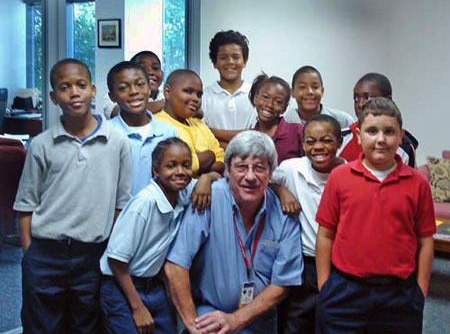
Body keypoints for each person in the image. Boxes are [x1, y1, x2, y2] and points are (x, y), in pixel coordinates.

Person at [14, 58, 132, 333]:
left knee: (87, 324)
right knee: (41, 325)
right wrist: (30, 254)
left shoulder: (116, 141)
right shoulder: (42, 144)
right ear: (55, 98)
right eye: (65, 88)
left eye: (80, 85)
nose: (74, 93)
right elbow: (25, 206)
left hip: (92, 255)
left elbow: (120, 203)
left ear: (92, 90)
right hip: (45, 254)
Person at [315, 98, 435, 333]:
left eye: (389, 132)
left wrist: (420, 291)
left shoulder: (417, 183)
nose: (381, 139)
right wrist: (325, 286)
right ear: (359, 136)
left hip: (400, 296)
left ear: (400, 136)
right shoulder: (340, 177)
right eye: (372, 131)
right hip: (344, 292)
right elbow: (325, 235)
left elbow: (426, 241)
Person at [164, 130, 303, 334]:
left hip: (258, 320)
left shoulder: (284, 213)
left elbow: (282, 284)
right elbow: (175, 266)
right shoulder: (208, 199)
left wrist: (235, 320)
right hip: (207, 315)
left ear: (271, 173)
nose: (250, 176)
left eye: (259, 168)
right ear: (227, 170)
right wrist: (194, 326)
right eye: (241, 167)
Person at [100, 137, 220, 334]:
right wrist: (138, 308)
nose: (180, 172)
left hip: (153, 285)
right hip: (123, 286)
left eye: (186, 165)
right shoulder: (144, 204)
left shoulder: (183, 191)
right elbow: (116, 260)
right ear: (156, 170)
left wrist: (207, 178)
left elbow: (219, 177)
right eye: (171, 166)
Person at [272, 114, 344, 334]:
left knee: (334, 319)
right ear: (303, 145)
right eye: (311, 141)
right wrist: (281, 191)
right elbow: (265, 182)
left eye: (326, 140)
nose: (318, 147)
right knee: (297, 319)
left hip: (339, 262)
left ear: (339, 143)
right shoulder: (291, 169)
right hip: (304, 261)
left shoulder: (348, 173)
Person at [107, 61, 177, 195]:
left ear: (150, 88)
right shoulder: (107, 133)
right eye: (123, 88)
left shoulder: (168, 131)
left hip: (160, 212)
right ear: (112, 96)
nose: (134, 91)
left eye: (140, 85)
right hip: (120, 214)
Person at [338, 72, 419, 167]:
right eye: (356, 98)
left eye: (367, 98)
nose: (360, 104)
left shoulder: (403, 145)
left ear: (387, 100)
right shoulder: (341, 138)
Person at [155, 69, 225, 177]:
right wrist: (210, 156)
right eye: (188, 91)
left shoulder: (200, 124)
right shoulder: (157, 125)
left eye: (199, 95)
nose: (196, 99)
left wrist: (203, 172)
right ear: (167, 92)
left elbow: (222, 158)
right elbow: (170, 167)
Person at [201, 30, 257, 148]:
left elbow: (257, 134)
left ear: (244, 62)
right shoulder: (203, 97)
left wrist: (212, 132)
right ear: (214, 63)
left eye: (236, 57)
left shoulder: (257, 95)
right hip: (215, 162)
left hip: (251, 161)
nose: (230, 62)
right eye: (223, 57)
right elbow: (201, 136)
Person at [249, 73, 304, 164]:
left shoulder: (297, 132)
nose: (269, 105)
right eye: (265, 97)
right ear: (255, 98)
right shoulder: (248, 137)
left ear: (284, 108)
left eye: (278, 102)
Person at [284, 66, 354, 129]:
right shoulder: (284, 123)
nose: (309, 92)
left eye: (315, 87)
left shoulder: (343, 121)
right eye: (302, 87)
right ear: (292, 92)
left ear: (322, 91)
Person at [108, 51, 165, 118]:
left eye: (155, 68)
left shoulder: (165, 95)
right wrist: (167, 103)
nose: (150, 72)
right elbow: (125, 112)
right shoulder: (114, 95)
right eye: (142, 69)